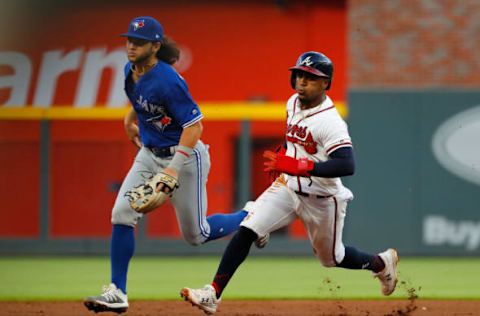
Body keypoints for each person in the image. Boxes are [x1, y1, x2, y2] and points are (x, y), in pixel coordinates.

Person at [180, 51, 399, 315]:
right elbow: (295, 141)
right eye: (299, 75)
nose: (302, 81)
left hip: (322, 199)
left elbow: (347, 164)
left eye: (310, 77)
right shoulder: (292, 103)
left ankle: (381, 264)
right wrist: (285, 154)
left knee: (332, 259)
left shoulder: (331, 122)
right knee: (248, 228)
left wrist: (301, 165)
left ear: (325, 83)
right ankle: (212, 293)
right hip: (287, 188)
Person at [83, 16, 264, 314]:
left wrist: (172, 169)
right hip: (149, 152)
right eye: (129, 39)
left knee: (197, 235)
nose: (131, 45)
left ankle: (251, 214)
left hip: (185, 155)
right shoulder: (130, 70)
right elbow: (140, 102)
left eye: (139, 42)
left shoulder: (168, 81)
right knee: (121, 213)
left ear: (155, 46)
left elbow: (195, 127)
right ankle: (117, 292)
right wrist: (130, 120)